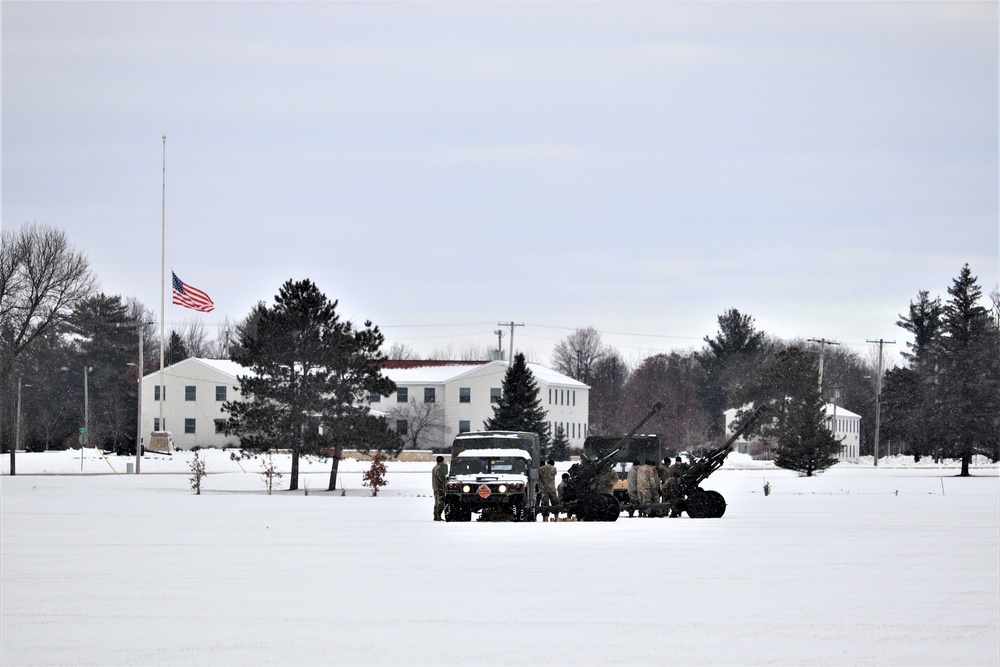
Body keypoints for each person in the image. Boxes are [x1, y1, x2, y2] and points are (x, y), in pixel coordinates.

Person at [431, 455, 448, 521]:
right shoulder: (439, 468)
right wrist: (446, 481)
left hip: (435, 487)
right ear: (442, 461)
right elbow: (441, 478)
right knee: (440, 502)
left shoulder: (434, 467)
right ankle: (438, 516)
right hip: (439, 487)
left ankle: (436, 516)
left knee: (436, 502)